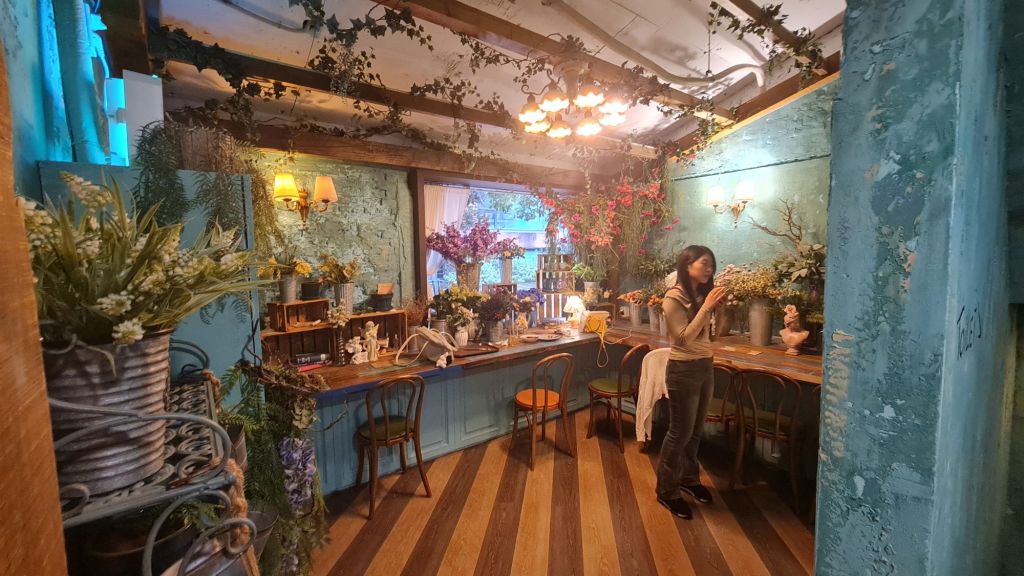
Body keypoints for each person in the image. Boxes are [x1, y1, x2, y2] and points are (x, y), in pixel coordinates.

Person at [656, 245, 728, 519]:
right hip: (683, 369)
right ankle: (666, 491)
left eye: (711, 264)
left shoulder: (701, 296)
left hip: (705, 366)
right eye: (704, 263)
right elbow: (683, 338)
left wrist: (719, 310)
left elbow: (715, 336)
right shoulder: (673, 297)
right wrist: (707, 307)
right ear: (688, 266)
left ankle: (688, 479)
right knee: (679, 433)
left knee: (696, 432)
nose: (710, 268)